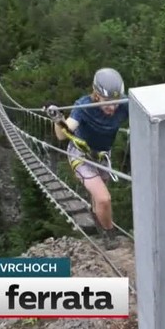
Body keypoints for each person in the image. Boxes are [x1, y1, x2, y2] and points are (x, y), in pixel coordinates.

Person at [43, 67, 128, 250]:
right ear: (96, 95)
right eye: (107, 102)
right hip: (80, 155)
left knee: (99, 201)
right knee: (104, 199)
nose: (112, 107)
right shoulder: (83, 106)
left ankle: (97, 216)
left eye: (116, 102)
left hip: (103, 157)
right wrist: (57, 119)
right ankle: (109, 233)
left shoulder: (124, 104)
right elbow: (63, 134)